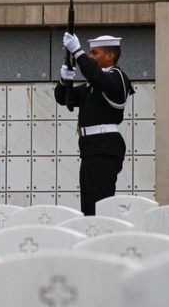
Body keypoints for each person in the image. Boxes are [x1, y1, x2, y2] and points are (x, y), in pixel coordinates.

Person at [55, 33, 134, 216]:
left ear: (110, 56)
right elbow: (63, 99)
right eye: (89, 53)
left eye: (94, 53)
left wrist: (77, 51)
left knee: (100, 202)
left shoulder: (118, 78)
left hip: (104, 147)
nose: (90, 57)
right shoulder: (93, 84)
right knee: (90, 205)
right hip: (91, 148)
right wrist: (64, 79)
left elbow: (98, 78)